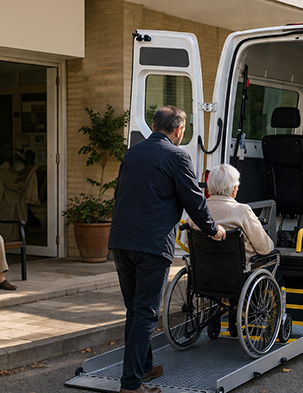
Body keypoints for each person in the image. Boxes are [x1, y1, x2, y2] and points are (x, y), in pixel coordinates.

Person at [108, 106, 226, 393]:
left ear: (152, 125)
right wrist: (213, 229)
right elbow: (195, 202)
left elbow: (119, 193)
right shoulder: (177, 156)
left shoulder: (132, 152)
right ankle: (131, 385)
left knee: (135, 311)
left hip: (121, 241)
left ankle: (144, 368)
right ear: (179, 130)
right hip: (151, 244)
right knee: (145, 313)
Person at [189, 164, 274, 260]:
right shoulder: (243, 211)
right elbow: (265, 248)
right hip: (238, 272)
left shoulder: (197, 210)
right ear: (234, 188)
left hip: (203, 270)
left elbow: (188, 243)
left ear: (209, 186)